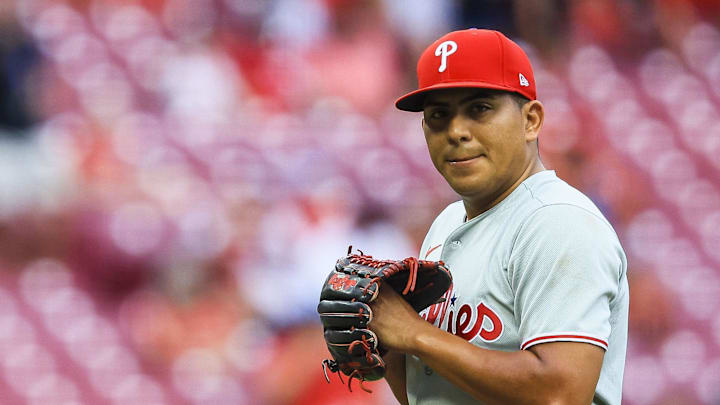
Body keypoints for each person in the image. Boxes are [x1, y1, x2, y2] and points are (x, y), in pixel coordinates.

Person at [368, 28, 629, 405]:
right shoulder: (445, 224)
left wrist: (414, 334)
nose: (456, 131)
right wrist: (384, 346)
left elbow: (562, 394)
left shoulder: (558, 223)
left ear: (531, 120)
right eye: (439, 115)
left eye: (479, 108)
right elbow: (434, 395)